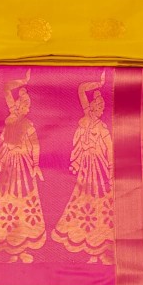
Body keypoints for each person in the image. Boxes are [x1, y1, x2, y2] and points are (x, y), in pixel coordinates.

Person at [52, 72, 114, 264]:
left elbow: (110, 147)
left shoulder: (102, 128)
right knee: (86, 202)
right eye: (98, 107)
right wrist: (98, 83)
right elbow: (80, 90)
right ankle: (93, 251)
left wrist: (111, 169)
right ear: (92, 107)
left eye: (102, 108)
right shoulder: (86, 120)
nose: (101, 110)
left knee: (100, 204)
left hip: (99, 170)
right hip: (87, 169)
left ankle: (101, 251)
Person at [0, 70, 45, 262]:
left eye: (28, 106)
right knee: (7, 200)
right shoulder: (12, 117)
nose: (27, 108)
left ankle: (22, 249)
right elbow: (6, 88)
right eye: (25, 105)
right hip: (10, 166)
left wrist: (36, 165)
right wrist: (23, 81)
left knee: (24, 202)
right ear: (19, 105)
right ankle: (10, 248)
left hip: (23, 166)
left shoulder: (27, 125)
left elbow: (35, 145)